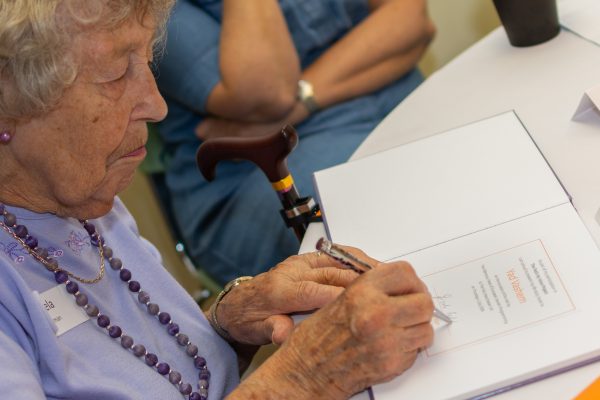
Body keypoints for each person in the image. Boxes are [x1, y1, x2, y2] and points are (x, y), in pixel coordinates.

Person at [0, 1, 436, 399]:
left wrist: (228, 323)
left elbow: (164, 379)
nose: (156, 106)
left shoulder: (85, 198)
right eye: (115, 74)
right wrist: (306, 376)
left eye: (147, 62)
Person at [155, 0, 436, 285]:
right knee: (385, 214)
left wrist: (300, 103)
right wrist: (287, 109)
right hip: (257, 172)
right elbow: (266, 94)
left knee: (449, 172)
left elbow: (412, 22)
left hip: (386, 107)